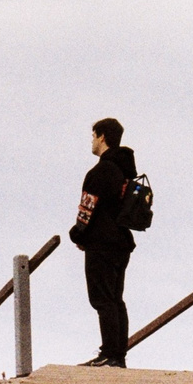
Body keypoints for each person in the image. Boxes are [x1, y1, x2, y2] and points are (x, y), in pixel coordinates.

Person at [69, 117, 136, 367]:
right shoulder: (125, 172)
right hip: (122, 243)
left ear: (102, 137)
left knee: (102, 299)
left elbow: (87, 209)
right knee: (116, 298)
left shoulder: (99, 172)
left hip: (101, 244)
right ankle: (118, 355)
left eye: (93, 135)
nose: (92, 141)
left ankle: (108, 354)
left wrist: (77, 235)